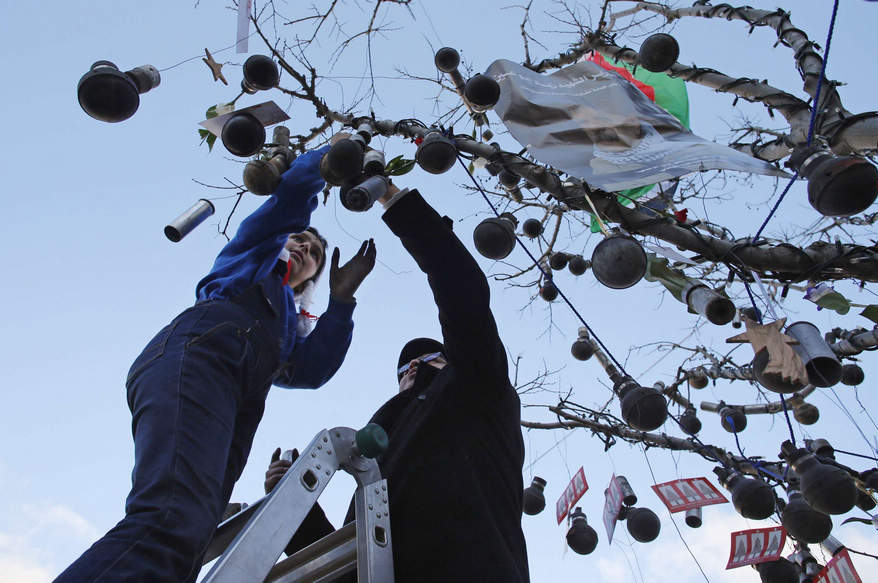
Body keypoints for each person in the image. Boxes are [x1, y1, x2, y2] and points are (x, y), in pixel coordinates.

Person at [56, 147, 376, 583]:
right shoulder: (250, 260)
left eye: (316, 254)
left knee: (190, 539)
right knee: (170, 518)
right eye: (300, 239)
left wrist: (340, 302)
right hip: (201, 355)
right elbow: (285, 207)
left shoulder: (284, 325)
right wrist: (324, 163)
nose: (306, 247)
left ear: (309, 282)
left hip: (239, 395)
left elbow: (310, 371)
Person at [265, 181, 530, 582]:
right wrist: (295, 503)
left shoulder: (477, 388)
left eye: (426, 360)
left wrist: (393, 198)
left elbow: (462, 291)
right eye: (404, 368)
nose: (410, 369)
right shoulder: (374, 453)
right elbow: (350, 563)